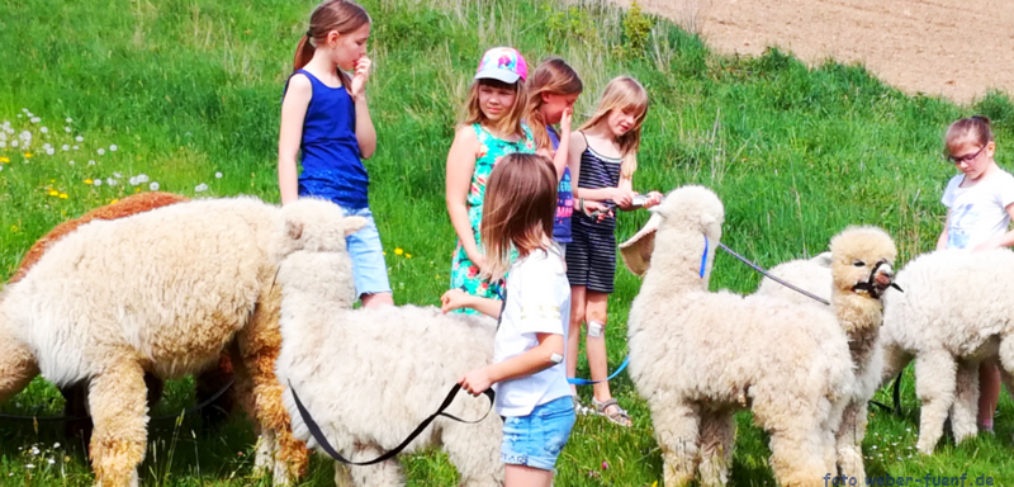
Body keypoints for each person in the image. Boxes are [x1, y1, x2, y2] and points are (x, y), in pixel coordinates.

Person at [442, 153, 575, 487]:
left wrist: (489, 374)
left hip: (535, 412)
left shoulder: (536, 271)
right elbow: (521, 318)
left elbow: (552, 350)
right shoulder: (539, 260)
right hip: (537, 408)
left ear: (510, 209)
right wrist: (470, 300)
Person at [277, 0, 392, 308]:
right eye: (359, 43)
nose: (363, 52)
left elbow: (366, 149)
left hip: (358, 207)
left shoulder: (346, 84)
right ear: (333, 38)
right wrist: (293, 214)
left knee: (381, 302)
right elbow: (287, 154)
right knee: (323, 302)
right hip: (318, 208)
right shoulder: (302, 83)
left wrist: (360, 95)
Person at [565, 76, 662, 426]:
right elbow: (571, 192)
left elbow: (623, 197)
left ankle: (602, 394)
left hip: (603, 238)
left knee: (598, 319)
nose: (629, 122)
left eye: (637, 117)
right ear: (609, 104)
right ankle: (568, 389)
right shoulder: (579, 141)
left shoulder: (625, 152)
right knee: (574, 313)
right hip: (576, 234)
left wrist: (642, 200)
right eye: (626, 113)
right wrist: (608, 193)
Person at [936, 115, 1014, 434]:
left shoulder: (1003, 184)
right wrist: (937, 260)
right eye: (956, 159)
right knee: (953, 349)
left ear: (990, 148)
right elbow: (948, 229)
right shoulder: (956, 185)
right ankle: (953, 417)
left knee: (987, 354)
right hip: (955, 276)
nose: (964, 165)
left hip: (987, 278)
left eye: (970, 156)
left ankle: (985, 421)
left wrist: (993, 243)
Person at [446, 47, 536, 312]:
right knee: (475, 331)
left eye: (504, 92)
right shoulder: (470, 136)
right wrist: (475, 255)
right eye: (487, 90)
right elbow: (456, 201)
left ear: (518, 94)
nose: (493, 99)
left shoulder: (527, 138)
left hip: (520, 248)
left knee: (517, 324)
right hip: (481, 248)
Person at [524, 58, 584, 253]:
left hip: (558, 229)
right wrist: (566, 131)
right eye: (568, 102)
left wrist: (578, 203)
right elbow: (553, 176)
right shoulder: (532, 133)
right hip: (539, 233)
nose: (570, 110)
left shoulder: (551, 133)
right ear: (547, 95)